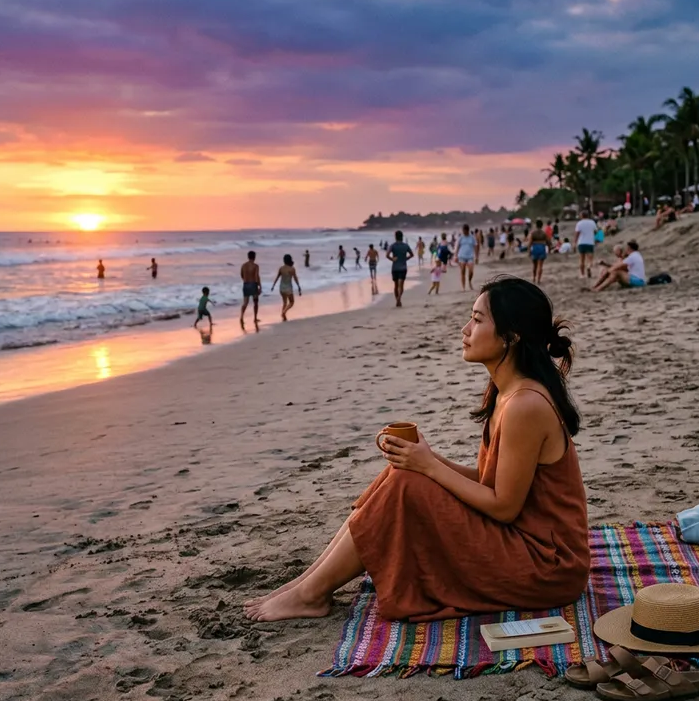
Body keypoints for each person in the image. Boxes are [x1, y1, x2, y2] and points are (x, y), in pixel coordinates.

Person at [244, 276, 589, 623]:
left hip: (546, 567)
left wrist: (430, 468)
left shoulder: (525, 405)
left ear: (511, 337)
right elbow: (492, 482)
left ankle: (310, 594)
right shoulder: (509, 394)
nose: (465, 329)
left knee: (407, 483)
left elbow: (503, 507)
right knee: (402, 473)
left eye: (478, 319)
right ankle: (306, 585)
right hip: (526, 545)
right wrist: (425, 458)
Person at [386, 230, 414, 307]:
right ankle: (399, 299)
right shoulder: (406, 246)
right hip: (403, 267)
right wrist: (405, 259)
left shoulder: (393, 245)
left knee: (395, 285)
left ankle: (398, 300)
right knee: (401, 285)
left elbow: (387, 255)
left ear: (395, 237)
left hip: (395, 268)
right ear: (402, 237)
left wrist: (392, 259)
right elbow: (412, 254)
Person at [272, 254, 302, 321]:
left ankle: (284, 317)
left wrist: (273, 286)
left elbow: (277, 277)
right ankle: (283, 312)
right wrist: (298, 286)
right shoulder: (292, 269)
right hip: (288, 288)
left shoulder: (281, 268)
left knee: (285, 302)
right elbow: (295, 278)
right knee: (291, 302)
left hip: (281, 288)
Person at [573, 211, 598, 279]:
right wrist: (596, 240)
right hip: (590, 242)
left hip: (581, 243)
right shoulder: (592, 222)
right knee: (590, 259)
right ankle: (589, 266)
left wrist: (574, 243)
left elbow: (577, 234)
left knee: (582, 259)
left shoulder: (579, 223)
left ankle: (582, 274)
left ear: (581, 216)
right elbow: (596, 232)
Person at [240, 250, 261, 325]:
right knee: (255, 302)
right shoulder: (255, 266)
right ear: (254, 257)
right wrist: (259, 286)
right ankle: (255, 318)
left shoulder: (243, 265)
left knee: (245, 302)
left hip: (246, 284)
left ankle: (241, 317)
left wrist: (246, 280)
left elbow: (242, 275)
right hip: (253, 284)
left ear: (248, 257)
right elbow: (256, 276)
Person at [528, 219, 551, 285]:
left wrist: (529, 251)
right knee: (540, 266)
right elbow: (548, 242)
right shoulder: (544, 233)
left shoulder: (533, 233)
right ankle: (539, 280)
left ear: (536, 225)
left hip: (535, 248)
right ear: (542, 225)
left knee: (534, 265)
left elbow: (530, 243)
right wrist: (549, 250)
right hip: (542, 248)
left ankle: (534, 278)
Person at [456, 223, 477, 291]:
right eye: (463, 230)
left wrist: (476, 256)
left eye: (465, 230)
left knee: (471, 271)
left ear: (467, 230)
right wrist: (455, 256)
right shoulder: (461, 238)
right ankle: (463, 287)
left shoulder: (472, 237)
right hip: (461, 256)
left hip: (470, 256)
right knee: (463, 271)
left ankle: (469, 281)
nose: (464, 232)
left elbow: (475, 246)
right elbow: (458, 247)